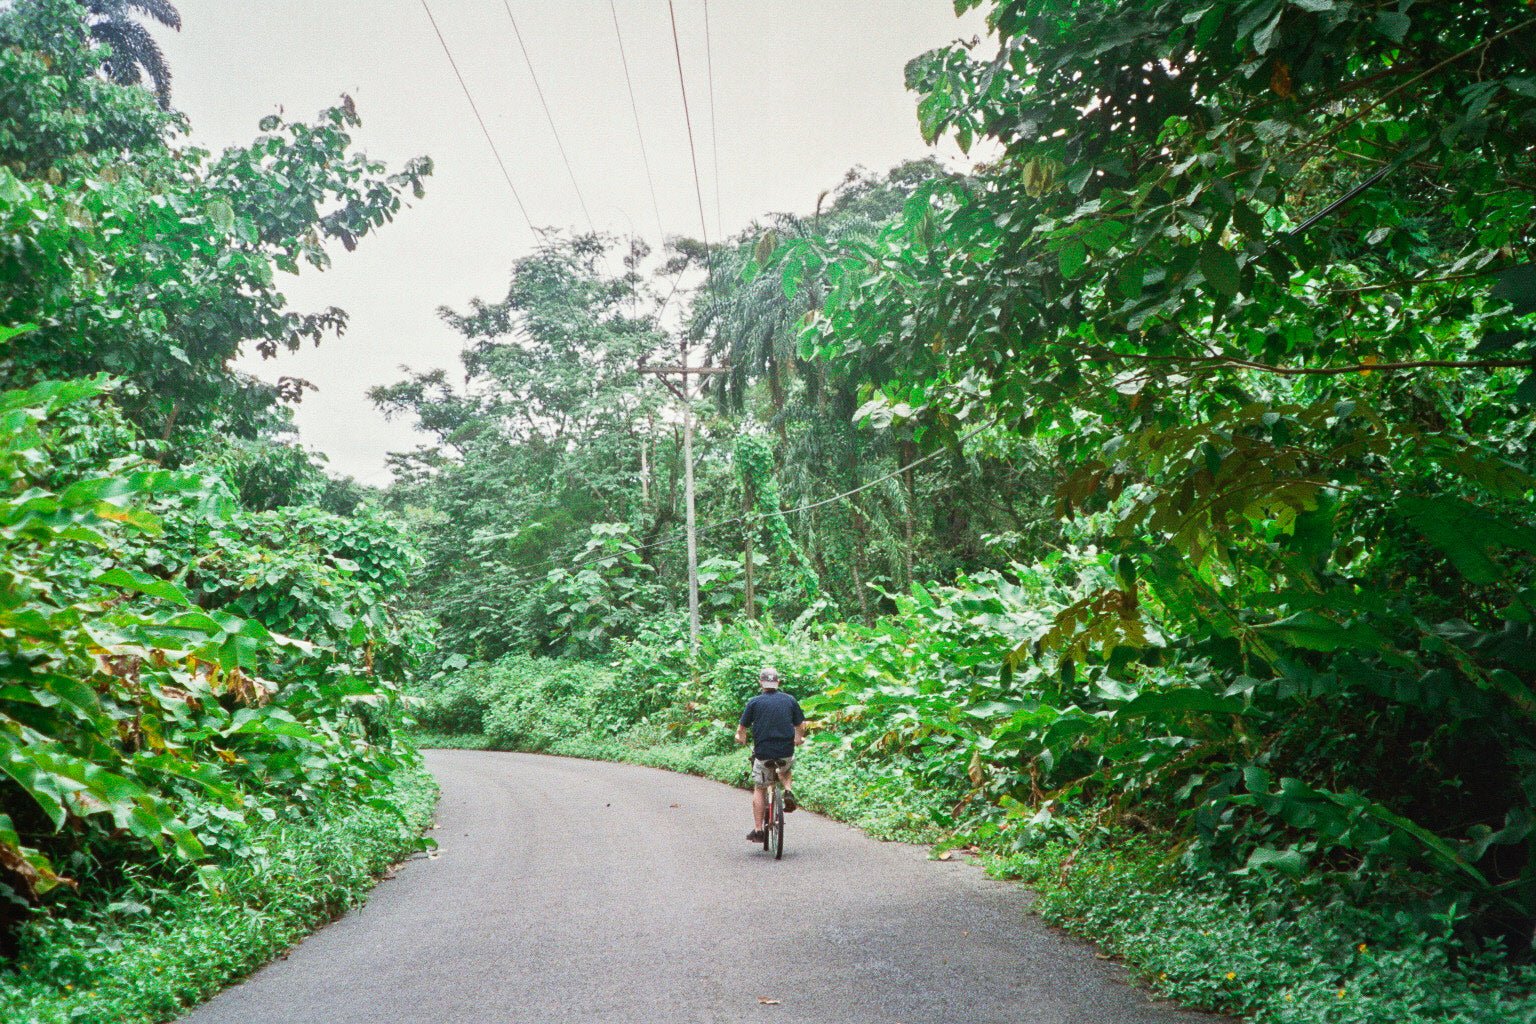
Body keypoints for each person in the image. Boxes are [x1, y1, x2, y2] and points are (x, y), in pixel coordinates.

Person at [735, 667, 806, 843]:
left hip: (763, 752)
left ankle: (759, 830)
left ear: (761, 683)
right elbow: (800, 726)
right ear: (778, 683)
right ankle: (788, 790)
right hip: (785, 750)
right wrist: (798, 739)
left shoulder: (754, 702)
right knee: (785, 769)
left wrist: (740, 738)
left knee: (759, 788)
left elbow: (741, 729)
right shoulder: (790, 700)